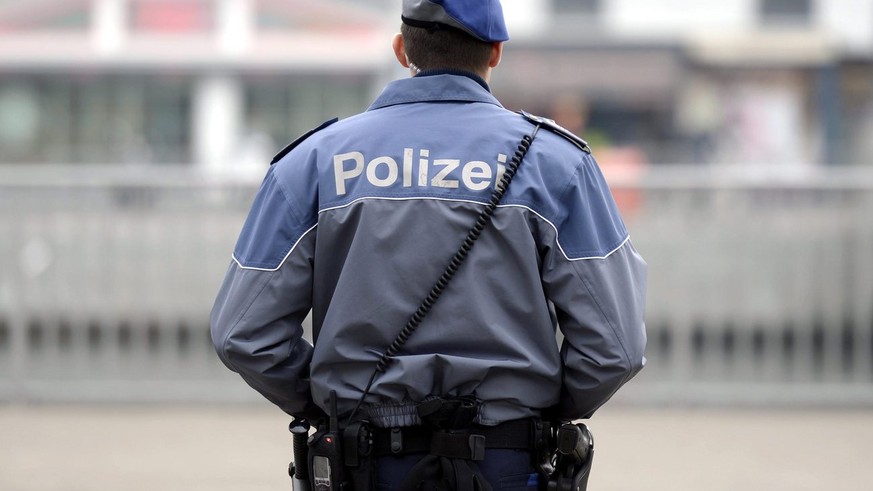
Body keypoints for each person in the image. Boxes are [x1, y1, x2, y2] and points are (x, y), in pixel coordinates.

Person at [210, 1, 647, 489]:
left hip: (365, 465)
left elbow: (242, 333)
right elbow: (617, 347)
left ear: (401, 49)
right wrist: (536, 413)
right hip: (506, 464)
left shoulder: (314, 163)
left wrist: (326, 401)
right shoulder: (557, 165)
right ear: (496, 53)